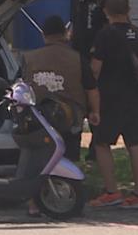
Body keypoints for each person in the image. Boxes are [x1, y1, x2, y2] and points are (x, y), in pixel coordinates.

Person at [20, 15, 101, 216]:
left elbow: (20, 87)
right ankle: (67, 194)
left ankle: (33, 203)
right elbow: (92, 89)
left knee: (34, 159)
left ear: (43, 34)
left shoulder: (29, 58)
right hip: (69, 117)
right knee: (69, 156)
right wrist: (95, 112)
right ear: (65, 34)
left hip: (38, 119)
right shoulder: (76, 58)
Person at [88, 0, 138, 209]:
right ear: (128, 10)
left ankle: (112, 191)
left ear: (106, 12)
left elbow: (95, 69)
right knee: (134, 144)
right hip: (135, 96)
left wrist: (89, 92)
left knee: (102, 143)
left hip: (110, 96)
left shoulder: (105, 35)